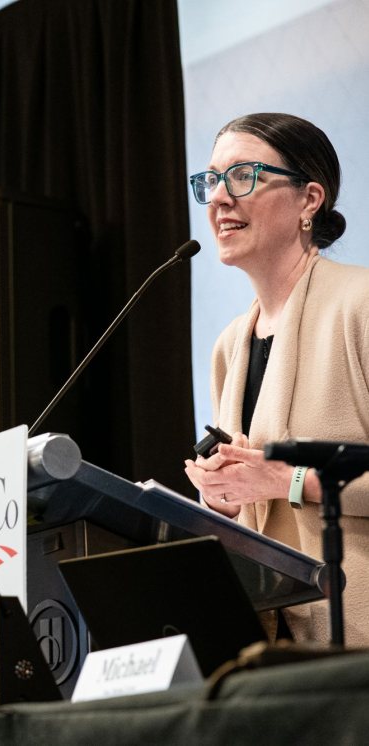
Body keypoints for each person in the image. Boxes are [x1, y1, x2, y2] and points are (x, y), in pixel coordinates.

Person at [183, 113, 369, 646]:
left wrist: (285, 481)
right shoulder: (228, 346)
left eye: (242, 176)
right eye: (211, 181)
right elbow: (252, 506)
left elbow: (280, 481)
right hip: (271, 643)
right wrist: (221, 495)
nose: (219, 198)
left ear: (310, 199)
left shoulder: (359, 306)